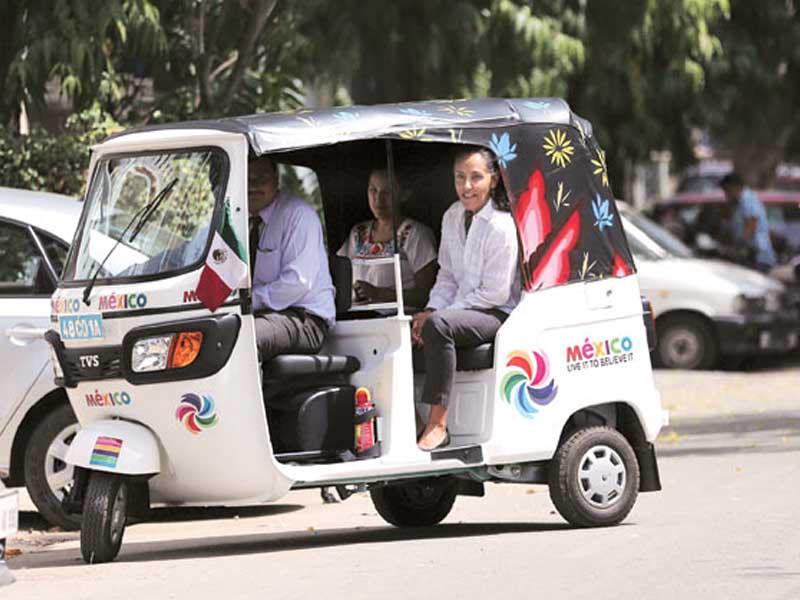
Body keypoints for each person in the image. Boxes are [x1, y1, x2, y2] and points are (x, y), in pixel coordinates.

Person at [411, 147, 519, 451]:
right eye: (460, 178)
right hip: (458, 311)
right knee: (409, 326)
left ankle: (438, 425)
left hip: (495, 312)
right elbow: (446, 276)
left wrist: (438, 317)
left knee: (439, 326)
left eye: (476, 177)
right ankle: (413, 422)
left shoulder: (501, 226)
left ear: (493, 180)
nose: (467, 187)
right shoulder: (452, 216)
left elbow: (494, 293)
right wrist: (429, 309)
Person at [249, 156, 336, 361]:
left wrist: (248, 300)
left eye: (260, 178)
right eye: (247, 179)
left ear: (276, 178)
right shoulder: (235, 218)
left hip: (305, 318)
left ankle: (249, 395)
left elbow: (297, 283)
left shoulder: (298, 215)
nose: (252, 187)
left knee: (245, 339)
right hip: (260, 314)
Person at [337, 168, 438, 307]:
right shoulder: (357, 233)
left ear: (404, 195)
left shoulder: (416, 234)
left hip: (396, 321)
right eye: (373, 190)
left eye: (387, 191)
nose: (378, 199)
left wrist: (380, 294)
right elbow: (339, 278)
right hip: (356, 320)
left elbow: (426, 294)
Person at [720, 172, 776, 271]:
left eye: (727, 190)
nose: (726, 194)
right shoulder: (737, 203)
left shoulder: (748, 199)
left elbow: (751, 224)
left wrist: (739, 246)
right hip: (750, 254)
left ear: (734, 187)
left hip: (758, 255)